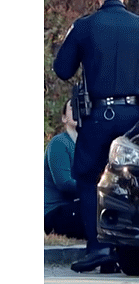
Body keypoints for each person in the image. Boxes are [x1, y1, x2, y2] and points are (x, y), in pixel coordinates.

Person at [53, 0, 139, 273]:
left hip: (99, 114)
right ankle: (128, 246)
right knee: (134, 178)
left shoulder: (84, 26)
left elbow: (62, 69)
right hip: (135, 115)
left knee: (88, 177)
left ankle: (98, 247)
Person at [44, 100, 84, 239]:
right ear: (64, 118)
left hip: (79, 204)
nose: (78, 111)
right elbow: (64, 183)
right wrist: (95, 190)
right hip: (56, 210)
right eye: (73, 108)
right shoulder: (59, 143)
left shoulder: (88, 147)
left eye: (81, 108)